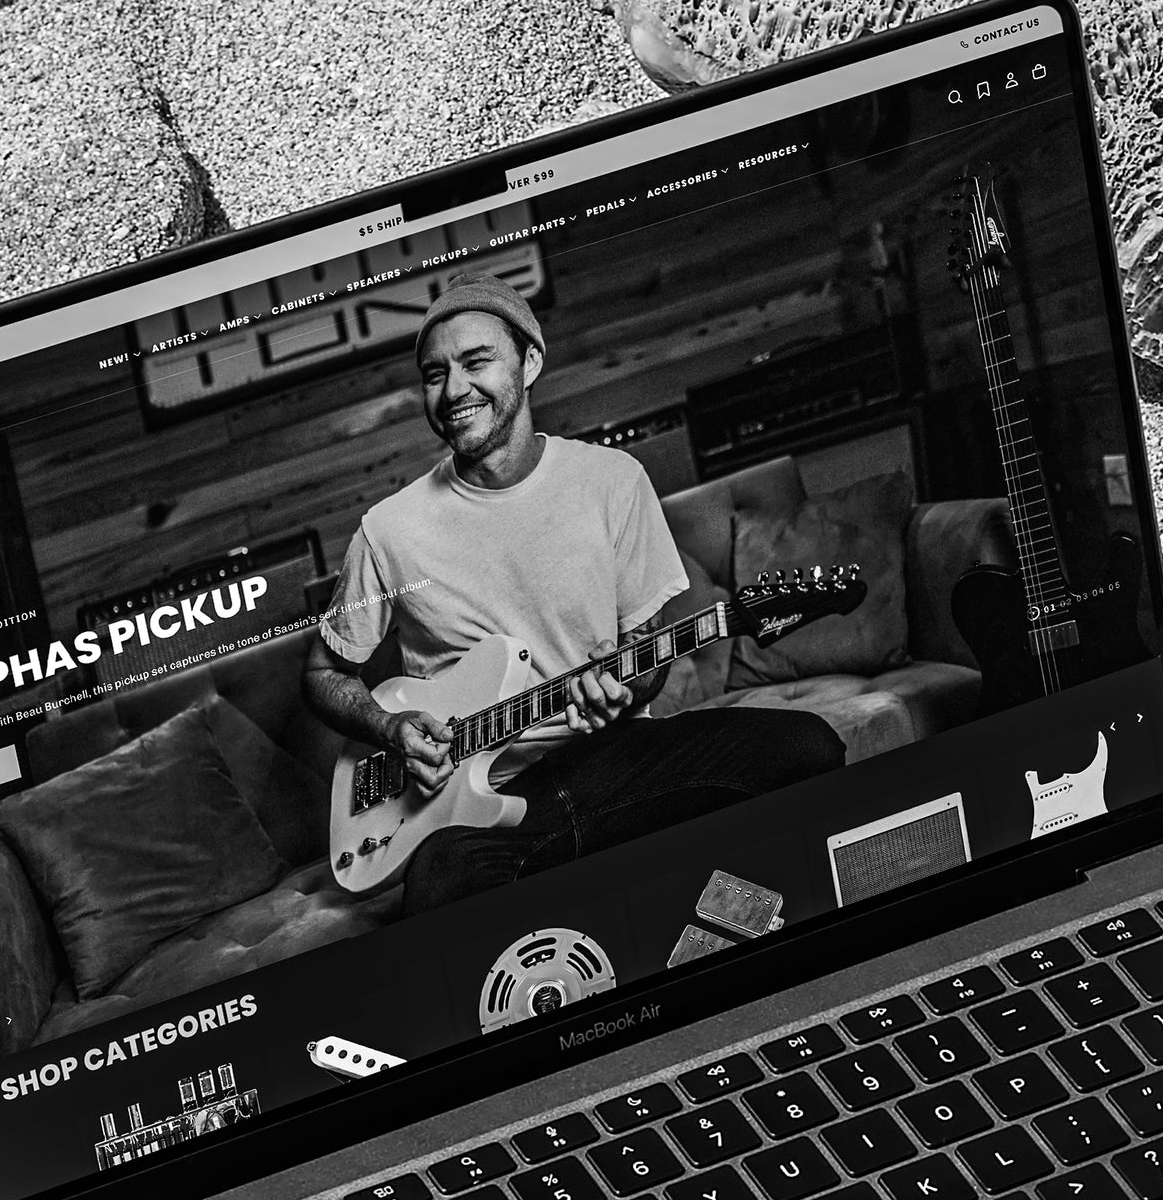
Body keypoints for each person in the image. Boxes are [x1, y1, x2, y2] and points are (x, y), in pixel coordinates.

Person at [302, 289, 842, 907]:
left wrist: (623, 687)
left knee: (808, 748)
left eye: (476, 363)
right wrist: (388, 725)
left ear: (529, 363)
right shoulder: (388, 531)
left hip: (617, 760)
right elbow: (323, 673)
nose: (454, 391)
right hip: (487, 803)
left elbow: (648, 661)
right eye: (435, 374)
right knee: (442, 882)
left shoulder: (612, 482)